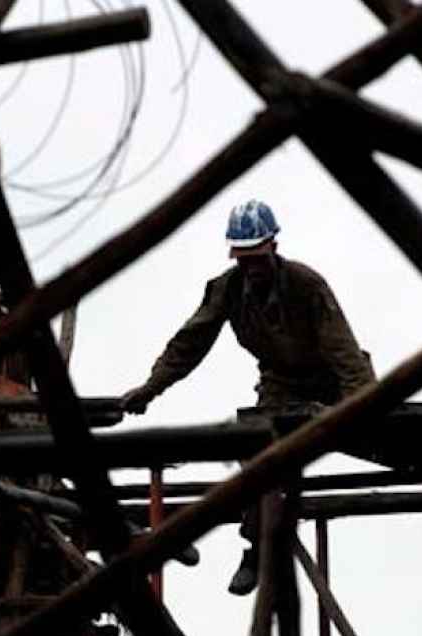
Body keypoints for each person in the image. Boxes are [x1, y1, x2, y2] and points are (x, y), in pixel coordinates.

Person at [120, 199, 376, 595]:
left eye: (257, 257)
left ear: (273, 247)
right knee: (259, 452)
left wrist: (362, 405)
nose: (251, 267)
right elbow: (190, 343)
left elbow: (342, 350)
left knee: (325, 437)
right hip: (281, 382)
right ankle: (255, 549)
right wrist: (151, 388)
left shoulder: (307, 285)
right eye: (243, 259)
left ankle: (263, 536)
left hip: (332, 379)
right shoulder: (228, 289)